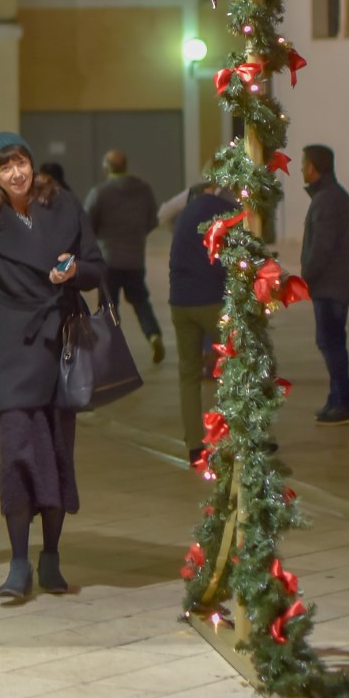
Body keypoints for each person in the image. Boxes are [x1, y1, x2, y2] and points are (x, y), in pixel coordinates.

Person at [0, 131, 104, 600]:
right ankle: (17, 561)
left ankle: (51, 556)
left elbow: (96, 265)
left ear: (32, 163)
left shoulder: (62, 204)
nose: (16, 173)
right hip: (11, 344)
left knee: (57, 447)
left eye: (21, 162)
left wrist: (75, 271)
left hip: (60, 339)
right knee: (16, 450)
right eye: (4, 167)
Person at [168, 178, 235, 463]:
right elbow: (229, 260)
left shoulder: (184, 214)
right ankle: (239, 439)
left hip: (180, 302)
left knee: (189, 374)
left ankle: (195, 445)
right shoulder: (224, 210)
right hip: (212, 301)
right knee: (236, 368)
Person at [84, 149, 164, 363]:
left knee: (108, 306)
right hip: (135, 259)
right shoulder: (144, 190)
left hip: (108, 260)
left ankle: (112, 348)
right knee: (141, 302)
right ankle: (153, 335)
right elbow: (152, 221)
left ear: (106, 168)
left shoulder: (100, 192)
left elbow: (87, 222)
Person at [301, 144, 349, 424]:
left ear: (313, 168)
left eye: (304, 164)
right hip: (336, 284)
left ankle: (345, 402)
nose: (301, 169)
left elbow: (321, 248)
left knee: (330, 343)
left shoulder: (326, 201)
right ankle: (336, 398)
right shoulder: (334, 196)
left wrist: (306, 278)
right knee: (334, 342)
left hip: (330, 287)